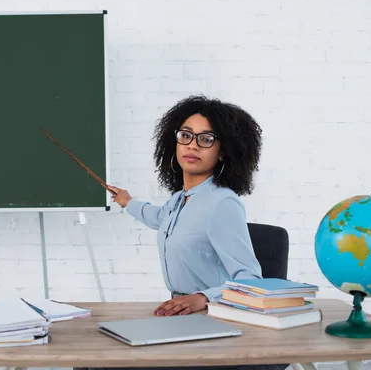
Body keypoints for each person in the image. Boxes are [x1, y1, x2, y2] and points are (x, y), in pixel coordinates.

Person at [99, 95, 287, 370]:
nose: (192, 146)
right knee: (103, 353)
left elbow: (251, 279)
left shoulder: (222, 203)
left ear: (223, 151)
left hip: (214, 318)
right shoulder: (180, 199)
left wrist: (203, 297)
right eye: (186, 136)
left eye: (206, 139)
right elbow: (158, 218)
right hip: (179, 317)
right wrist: (128, 201)